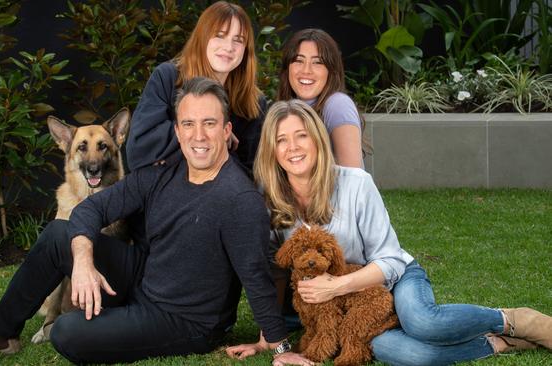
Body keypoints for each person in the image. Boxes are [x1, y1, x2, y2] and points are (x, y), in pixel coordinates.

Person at [0, 78, 291, 364]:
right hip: (145, 278)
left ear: (226, 130)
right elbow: (91, 210)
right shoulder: (165, 172)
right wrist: (84, 262)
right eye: (189, 124)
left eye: (209, 124)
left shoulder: (239, 198)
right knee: (61, 232)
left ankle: (100, 320)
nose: (199, 135)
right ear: (178, 131)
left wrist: (278, 347)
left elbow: (255, 275)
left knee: (67, 333)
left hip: (184, 319)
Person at [227, 99, 552, 366]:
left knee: (423, 323)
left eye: (301, 136)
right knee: (402, 352)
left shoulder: (355, 183)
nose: (292, 148)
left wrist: (337, 285)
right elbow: (275, 271)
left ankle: (515, 320)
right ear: (271, 149)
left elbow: (391, 260)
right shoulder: (267, 198)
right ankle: (497, 343)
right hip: (348, 304)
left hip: (392, 276)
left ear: (316, 139)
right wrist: (267, 338)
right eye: (281, 140)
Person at [126, 0, 265, 172]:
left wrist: (215, 145)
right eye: (220, 36)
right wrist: (213, 139)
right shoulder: (167, 77)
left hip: (217, 195)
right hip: (162, 191)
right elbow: (138, 151)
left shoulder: (254, 101)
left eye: (238, 40)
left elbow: (249, 173)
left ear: (246, 49)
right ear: (202, 37)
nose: (229, 47)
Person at [278, 28, 367, 168]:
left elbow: (353, 176)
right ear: (287, 68)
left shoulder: (338, 104)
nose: (306, 70)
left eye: (317, 62)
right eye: (299, 60)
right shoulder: (285, 109)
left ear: (331, 71)